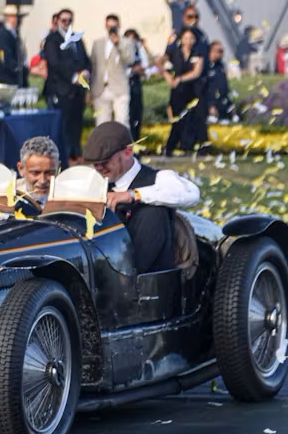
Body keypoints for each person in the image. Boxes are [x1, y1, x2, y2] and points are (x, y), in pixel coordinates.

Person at [84, 122, 199, 274]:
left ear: (127, 151)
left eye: (105, 162)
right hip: (101, 274)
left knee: (152, 212)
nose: (99, 169)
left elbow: (191, 193)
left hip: (147, 279)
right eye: (96, 165)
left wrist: (134, 195)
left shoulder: (158, 178)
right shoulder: (95, 184)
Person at [42, 9, 90, 162]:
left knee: (76, 121)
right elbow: (55, 63)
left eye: (69, 20)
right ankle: (65, 154)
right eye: (63, 20)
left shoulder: (76, 38)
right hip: (61, 88)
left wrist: (86, 72)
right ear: (57, 21)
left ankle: (76, 152)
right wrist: (73, 76)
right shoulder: (52, 39)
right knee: (64, 124)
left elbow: (85, 59)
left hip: (77, 89)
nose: (66, 23)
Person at [162, 27, 206, 155]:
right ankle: (171, 146)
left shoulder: (197, 53)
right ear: (181, 39)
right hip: (177, 91)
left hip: (191, 89)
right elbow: (160, 64)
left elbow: (196, 72)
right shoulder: (174, 53)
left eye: (191, 38)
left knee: (191, 118)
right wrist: (168, 77)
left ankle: (187, 146)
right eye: (186, 38)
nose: (189, 41)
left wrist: (180, 78)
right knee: (177, 119)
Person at [89, 14, 135, 128]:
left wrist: (118, 44)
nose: (112, 29)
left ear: (119, 26)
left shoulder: (127, 42)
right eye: (109, 26)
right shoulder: (98, 43)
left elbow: (129, 60)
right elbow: (92, 66)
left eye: (114, 26)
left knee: (122, 121)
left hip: (119, 87)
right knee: (102, 122)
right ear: (105, 26)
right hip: (100, 88)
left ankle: (124, 145)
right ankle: (104, 145)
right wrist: (90, 89)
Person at [15, 136, 60, 207]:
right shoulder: (4, 197)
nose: (42, 180)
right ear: (21, 168)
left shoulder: (71, 198)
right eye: (35, 173)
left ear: (58, 168)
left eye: (49, 173)